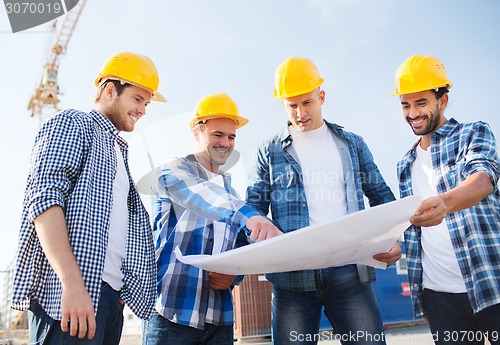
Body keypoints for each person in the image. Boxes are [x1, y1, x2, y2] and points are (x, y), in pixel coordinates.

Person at [11, 52, 166, 344]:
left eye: (146, 103)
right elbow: (44, 200)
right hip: (71, 298)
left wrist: (117, 296)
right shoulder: (74, 123)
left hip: (107, 300)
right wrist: (71, 283)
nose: (144, 110)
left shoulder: (118, 151)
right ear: (110, 90)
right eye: (137, 99)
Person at [246, 56, 401, 345]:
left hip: (351, 274)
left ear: (322, 96)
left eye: (307, 103)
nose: (300, 112)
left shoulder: (352, 144)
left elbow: (380, 194)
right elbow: (254, 206)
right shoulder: (268, 151)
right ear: (282, 104)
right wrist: (256, 227)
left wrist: (393, 237)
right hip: (292, 279)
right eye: (292, 105)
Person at [142, 92, 283, 345]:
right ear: (197, 132)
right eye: (217, 134)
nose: (226, 143)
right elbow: (202, 196)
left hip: (219, 321)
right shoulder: (172, 172)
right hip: (171, 316)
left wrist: (234, 277)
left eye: (231, 137)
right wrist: (252, 217)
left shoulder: (232, 194)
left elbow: (241, 250)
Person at [394, 54, 500, 345]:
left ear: (442, 101)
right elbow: (413, 229)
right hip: (439, 296)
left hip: (490, 281)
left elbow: (483, 178)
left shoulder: (473, 132)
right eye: (405, 104)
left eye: (421, 102)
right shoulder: (405, 164)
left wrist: (445, 203)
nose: (412, 112)